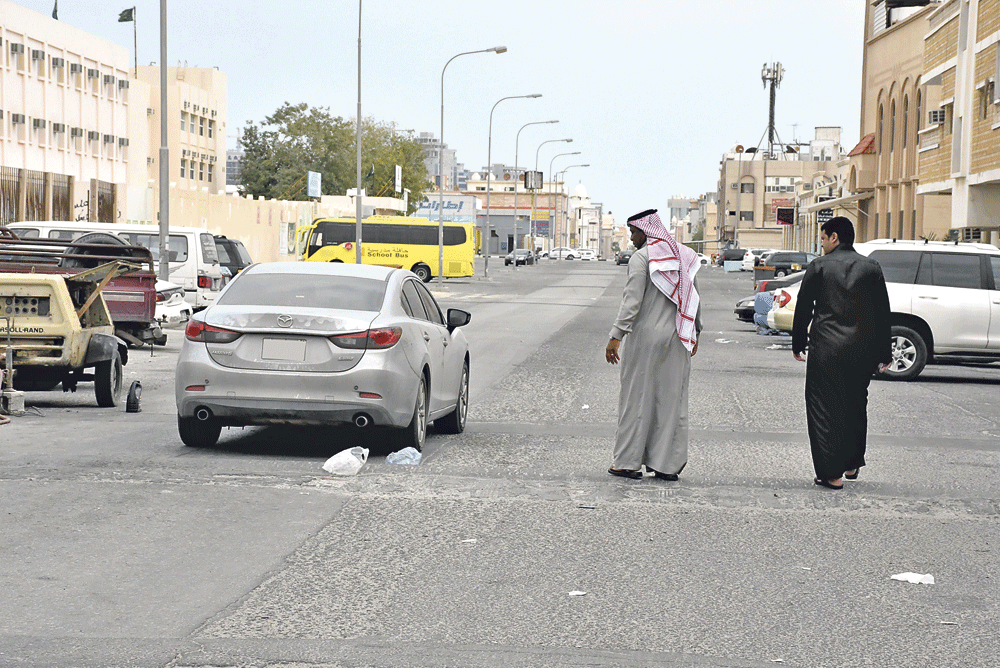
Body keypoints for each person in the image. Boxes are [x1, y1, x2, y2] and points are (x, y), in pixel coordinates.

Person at [792, 216, 891, 490]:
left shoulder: (819, 266)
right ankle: (851, 463)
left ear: (835, 237)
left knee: (823, 409)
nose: (821, 244)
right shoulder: (871, 267)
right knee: (856, 405)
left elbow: (803, 307)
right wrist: (885, 352)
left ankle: (831, 474)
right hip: (862, 350)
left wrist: (798, 341)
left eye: (823, 238)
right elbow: (882, 311)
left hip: (826, 349)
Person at [605, 209, 702, 480]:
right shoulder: (683, 255)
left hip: (646, 339)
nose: (632, 238)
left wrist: (616, 335)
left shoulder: (641, 258)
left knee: (637, 399)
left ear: (645, 232)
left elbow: (631, 301)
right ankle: (666, 466)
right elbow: (694, 298)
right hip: (679, 338)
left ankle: (626, 462)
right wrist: (696, 331)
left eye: (634, 233)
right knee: (672, 402)